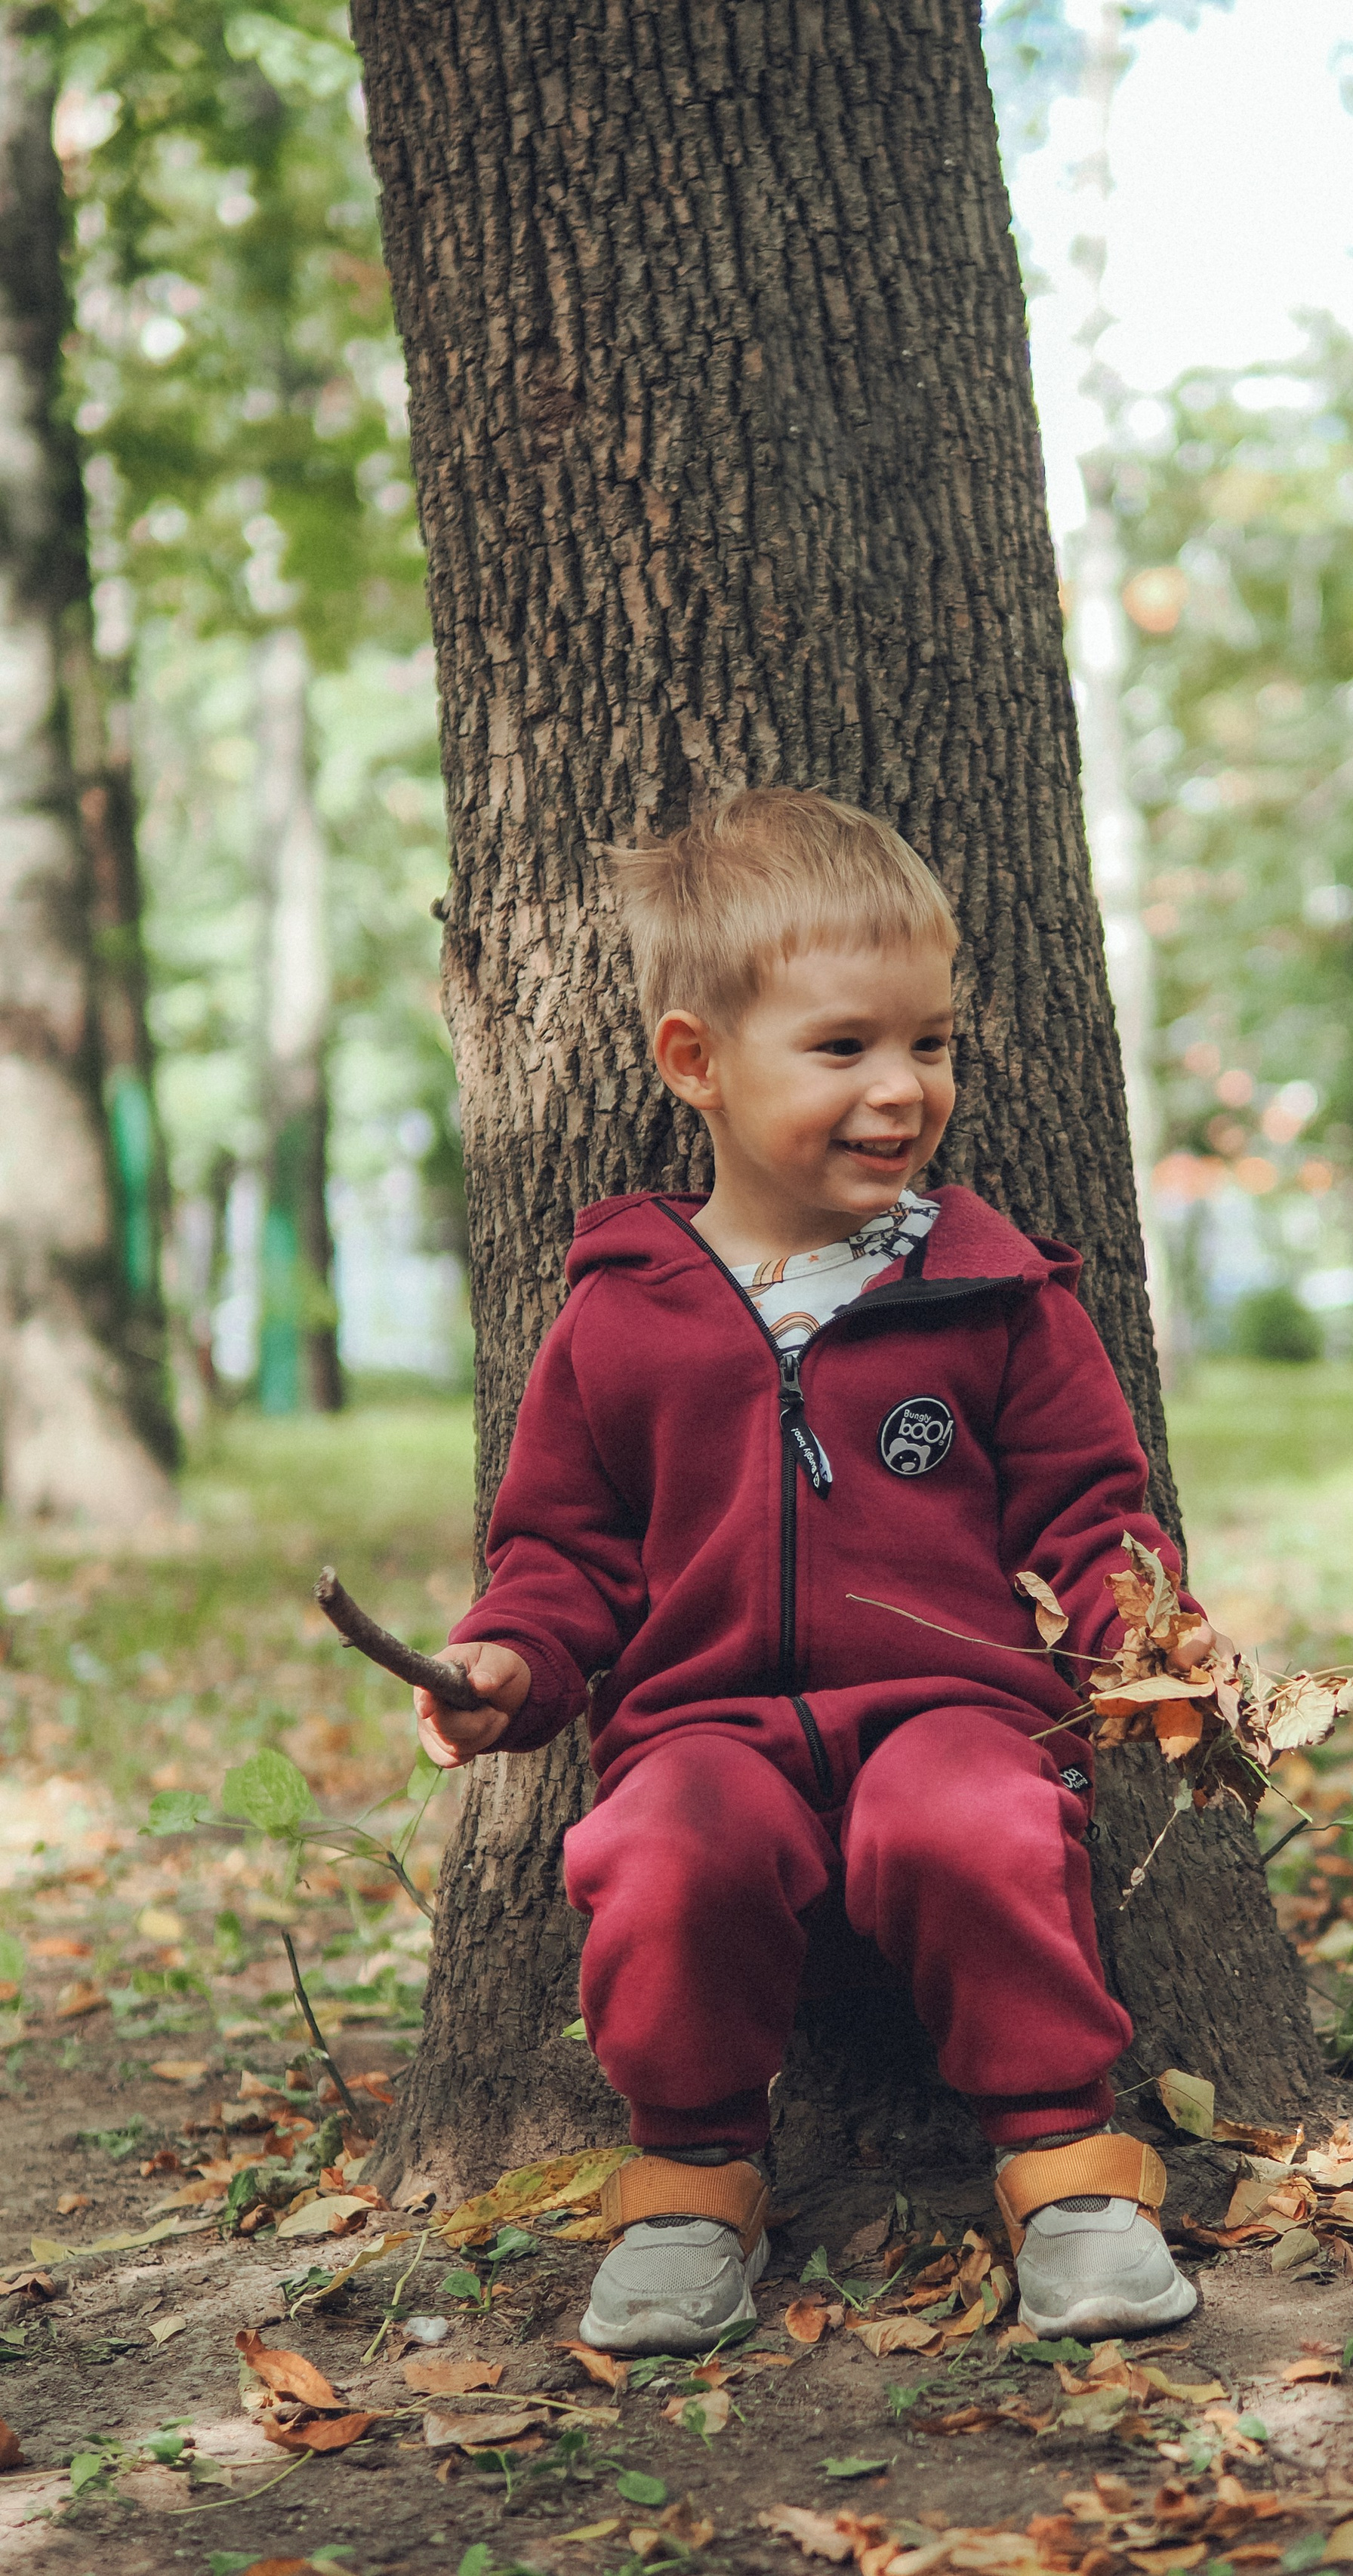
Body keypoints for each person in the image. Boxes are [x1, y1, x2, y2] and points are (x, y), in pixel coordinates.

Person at [413, 786, 1218, 2355]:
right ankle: (690, 2180)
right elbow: (562, 1551)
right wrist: (506, 1665)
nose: (902, 1088)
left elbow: (1087, 1504)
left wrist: (1147, 1626)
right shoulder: (623, 1317)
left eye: (931, 1044)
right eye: (842, 1048)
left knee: (975, 1821)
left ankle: (1066, 2167)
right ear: (693, 1064)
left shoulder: (987, 1293)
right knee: (662, 1852)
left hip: (949, 1708)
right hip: (704, 1724)